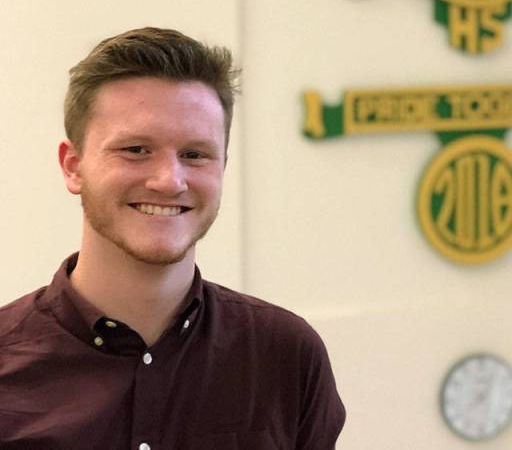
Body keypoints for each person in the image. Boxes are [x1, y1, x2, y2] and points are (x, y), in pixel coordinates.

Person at [0, 27, 346, 448]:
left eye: (194, 155)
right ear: (73, 166)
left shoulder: (285, 355)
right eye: (136, 150)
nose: (169, 181)